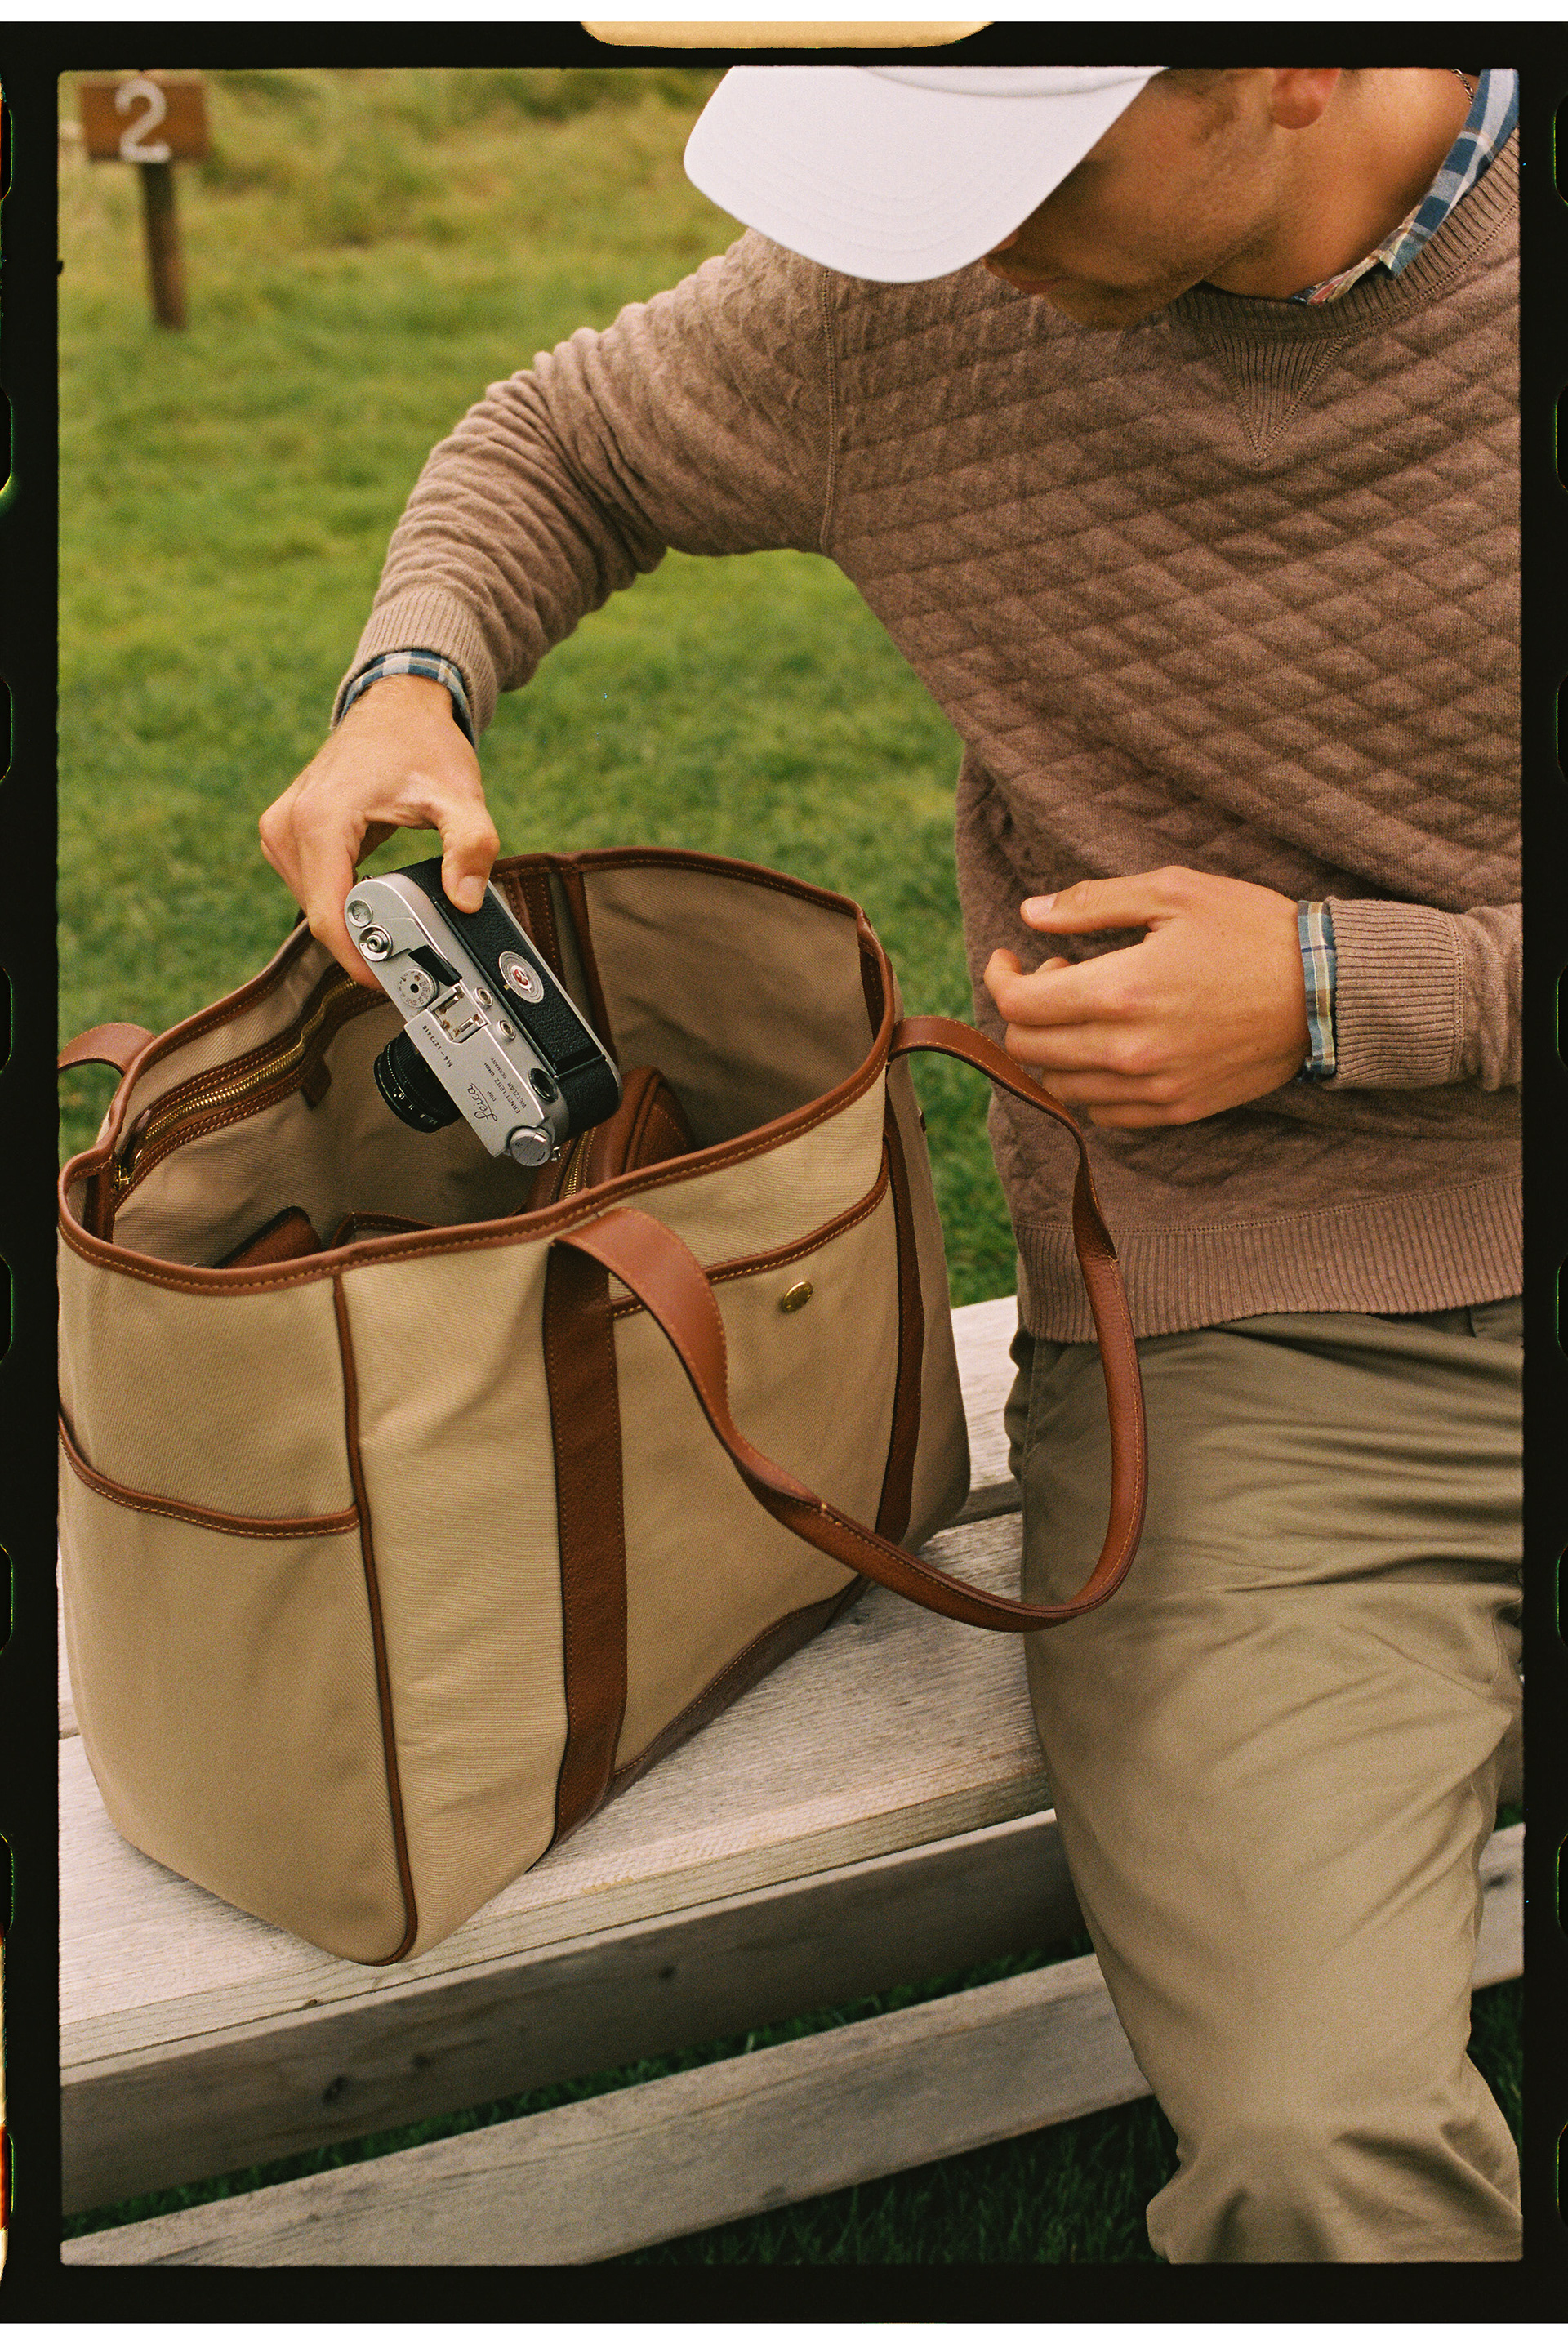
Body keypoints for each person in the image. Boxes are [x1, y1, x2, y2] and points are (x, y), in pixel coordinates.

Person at [258, 65, 1522, 2261]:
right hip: (1260, 1332)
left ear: (1293, 60)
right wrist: (410, 682)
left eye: (1023, 172)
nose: (953, 245)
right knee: (1322, 2165)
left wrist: (1342, 991)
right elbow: (561, 443)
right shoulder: (915, 298)